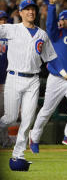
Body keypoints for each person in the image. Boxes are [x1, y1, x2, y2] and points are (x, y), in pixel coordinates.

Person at [0, 0, 67, 171]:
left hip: (33, 80)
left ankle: (18, 154)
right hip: (13, 77)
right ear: (20, 12)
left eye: (32, 9)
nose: (30, 12)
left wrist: (65, 74)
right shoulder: (11, 28)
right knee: (10, 118)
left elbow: (52, 58)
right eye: (26, 9)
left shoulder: (42, 34)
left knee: (27, 119)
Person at [29, 0, 67, 152]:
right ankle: (35, 136)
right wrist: (52, 5)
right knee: (47, 110)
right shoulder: (56, 33)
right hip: (56, 77)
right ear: (62, 20)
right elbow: (50, 23)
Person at [0, 10, 14, 148]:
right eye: (0, 20)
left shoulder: (11, 36)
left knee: (5, 114)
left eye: (4, 19)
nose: (3, 22)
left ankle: (5, 141)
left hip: (6, 81)